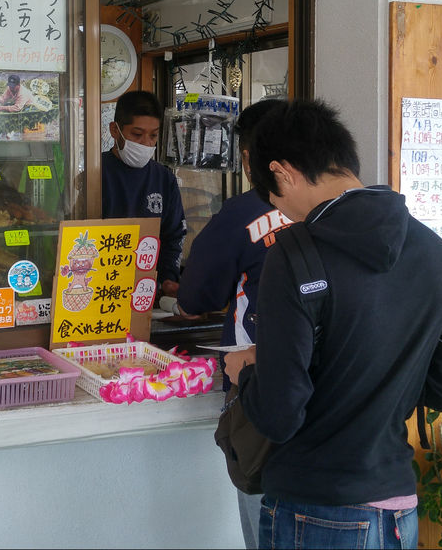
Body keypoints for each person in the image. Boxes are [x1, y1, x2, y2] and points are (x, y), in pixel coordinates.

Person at [223, 99, 442, 550]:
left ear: (283, 172)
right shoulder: (435, 253)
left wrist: (246, 372)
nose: (284, 211)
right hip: (398, 506)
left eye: (275, 197)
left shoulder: (294, 254)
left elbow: (279, 415)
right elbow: (440, 390)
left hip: (314, 507)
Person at [175, 97, 290, 550]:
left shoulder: (243, 212)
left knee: (265, 522)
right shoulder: (336, 211)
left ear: (247, 156)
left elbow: (194, 299)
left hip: (257, 392)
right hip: (336, 406)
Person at [102, 90, 186, 298]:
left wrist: (168, 278)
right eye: (137, 134)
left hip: (148, 293)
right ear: (115, 130)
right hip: (101, 288)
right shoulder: (94, 174)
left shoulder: (164, 179)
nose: (146, 143)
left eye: (153, 135)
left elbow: (174, 235)